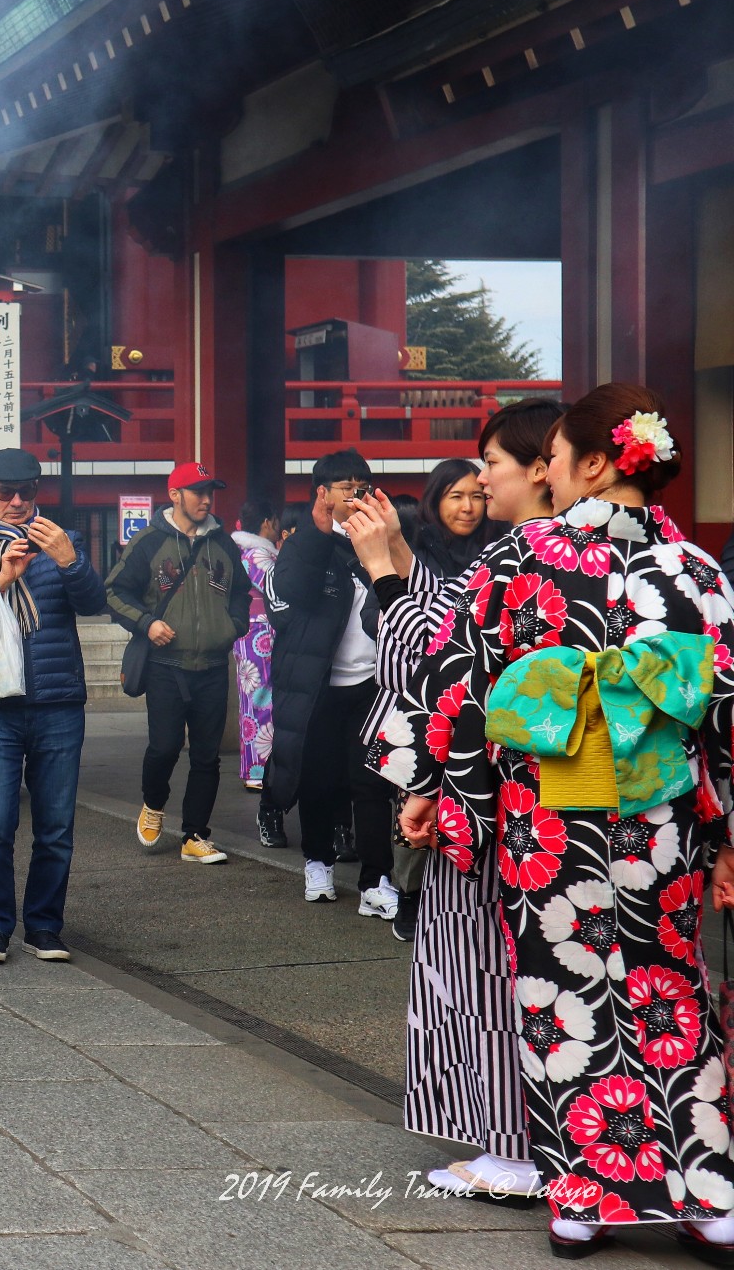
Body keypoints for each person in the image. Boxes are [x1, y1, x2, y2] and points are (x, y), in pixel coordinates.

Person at [386, 384, 734, 1254]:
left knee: (559, 989)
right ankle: (707, 1190)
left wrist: (433, 786)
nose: (551, 474)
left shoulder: (518, 560)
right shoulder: (698, 570)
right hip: (663, 824)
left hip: (551, 818)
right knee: (673, 986)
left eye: (558, 459)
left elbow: (460, 683)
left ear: (591, 461)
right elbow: (723, 714)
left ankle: (584, 1196)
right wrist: (728, 833)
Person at [343, 400, 563, 1200]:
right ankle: (576, 1149)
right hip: (534, 797)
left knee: (487, 974)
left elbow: (440, 674)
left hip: (507, 805)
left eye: (491, 466)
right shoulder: (631, 556)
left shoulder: (523, 558)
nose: (480, 482)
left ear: (549, 464)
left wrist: (384, 572)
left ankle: (514, 1146)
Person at [0, 448, 106, 966]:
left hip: (57, 701)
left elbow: (96, 603)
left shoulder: (64, 540)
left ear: (38, 491)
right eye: (4, 492)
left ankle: (45, 927)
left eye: (26, 492)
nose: (15, 502)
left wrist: (69, 562)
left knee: (55, 826)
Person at [355, 456, 501, 940]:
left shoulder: (506, 552)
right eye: (458, 494)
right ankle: (411, 895)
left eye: (481, 489)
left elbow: (438, 638)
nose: (476, 497)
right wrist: (393, 545)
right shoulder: (482, 552)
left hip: (474, 719)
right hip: (419, 703)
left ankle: (431, 906)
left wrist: (381, 564)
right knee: (415, 819)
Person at [105, 461, 249, 866]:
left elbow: (241, 592)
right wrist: (148, 624)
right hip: (165, 666)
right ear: (174, 495)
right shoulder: (149, 541)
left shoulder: (224, 543)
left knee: (206, 757)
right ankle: (153, 803)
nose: (206, 499)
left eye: (210, 492)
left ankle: (195, 835)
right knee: (165, 748)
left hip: (212, 665)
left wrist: (232, 626)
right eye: (197, 491)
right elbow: (115, 591)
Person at [267, 449, 391, 913]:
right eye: (347, 485)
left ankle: (376, 882)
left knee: (371, 782)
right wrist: (319, 535)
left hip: (372, 683)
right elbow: (292, 592)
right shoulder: (306, 542)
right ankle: (316, 862)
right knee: (317, 780)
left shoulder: (382, 535)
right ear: (323, 493)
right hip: (317, 682)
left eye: (363, 482)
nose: (358, 492)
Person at [231, 496, 279, 802]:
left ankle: (256, 769)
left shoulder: (244, 552)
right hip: (261, 631)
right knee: (261, 700)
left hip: (250, 630)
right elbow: (278, 591)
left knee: (253, 700)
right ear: (265, 522)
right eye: (275, 521)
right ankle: (257, 771)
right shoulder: (259, 555)